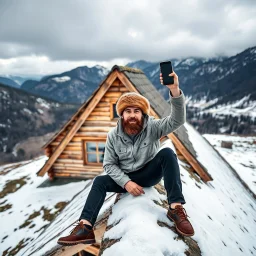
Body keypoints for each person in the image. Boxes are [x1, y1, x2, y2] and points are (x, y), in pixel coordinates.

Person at [57, 70, 195, 246]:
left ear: (143, 114)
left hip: (149, 173)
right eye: (128, 111)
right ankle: (85, 228)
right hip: (126, 179)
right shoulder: (113, 136)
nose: (132, 115)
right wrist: (126, 183)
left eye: (136, 111)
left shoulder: (153, 127)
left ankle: (175, 208)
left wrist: (174, 89)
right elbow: (109, 164)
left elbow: (177, 120)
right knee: (99, 182)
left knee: (167, 153)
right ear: (121, 115)